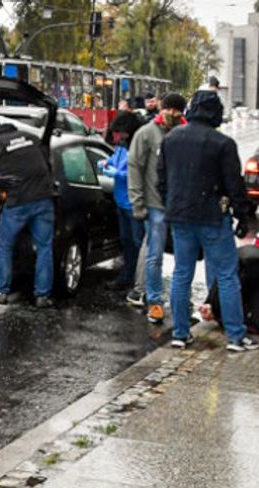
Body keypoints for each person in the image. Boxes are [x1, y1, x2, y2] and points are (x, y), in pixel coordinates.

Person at [157, 89, 257, 352]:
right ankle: (235, 336)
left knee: (182, 273)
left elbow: (162, 181)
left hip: (179, 216)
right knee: (226, 275)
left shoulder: (171, 139)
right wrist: (241, 214)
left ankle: (180, 333)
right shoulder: (222, 144)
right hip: (212, 216)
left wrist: (172, 204)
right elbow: (234, 185)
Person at [0, 119, 56, 308]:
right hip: (43, 199)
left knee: (5, 247)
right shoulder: (32, 137)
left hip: (17, 203)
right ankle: (42, 296)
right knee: (44, 247)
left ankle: (1, 292)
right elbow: (47, 165)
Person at [129, 92, 187, 322]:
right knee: (154, 255)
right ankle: (154, 301)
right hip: (156, 206)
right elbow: (135, 168)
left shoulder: (185, 133)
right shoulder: (146, 134)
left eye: (177, 110)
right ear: (162, 108)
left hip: (181, 206)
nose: (172, 114)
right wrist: (138, 202)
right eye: (169, 109)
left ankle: (182, 300)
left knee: (184, 257)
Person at [97, 110, 145, 294]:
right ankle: (128, 276)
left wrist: (116, 173)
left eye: (117, 132)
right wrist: (107, 162)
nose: (114, 136)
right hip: (122, 201)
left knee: (136, 243)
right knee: (127, 241)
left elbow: (137, 172)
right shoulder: (122, 147)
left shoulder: (135, 146)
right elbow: (116, 161)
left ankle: (136, 280)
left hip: (133, 203)